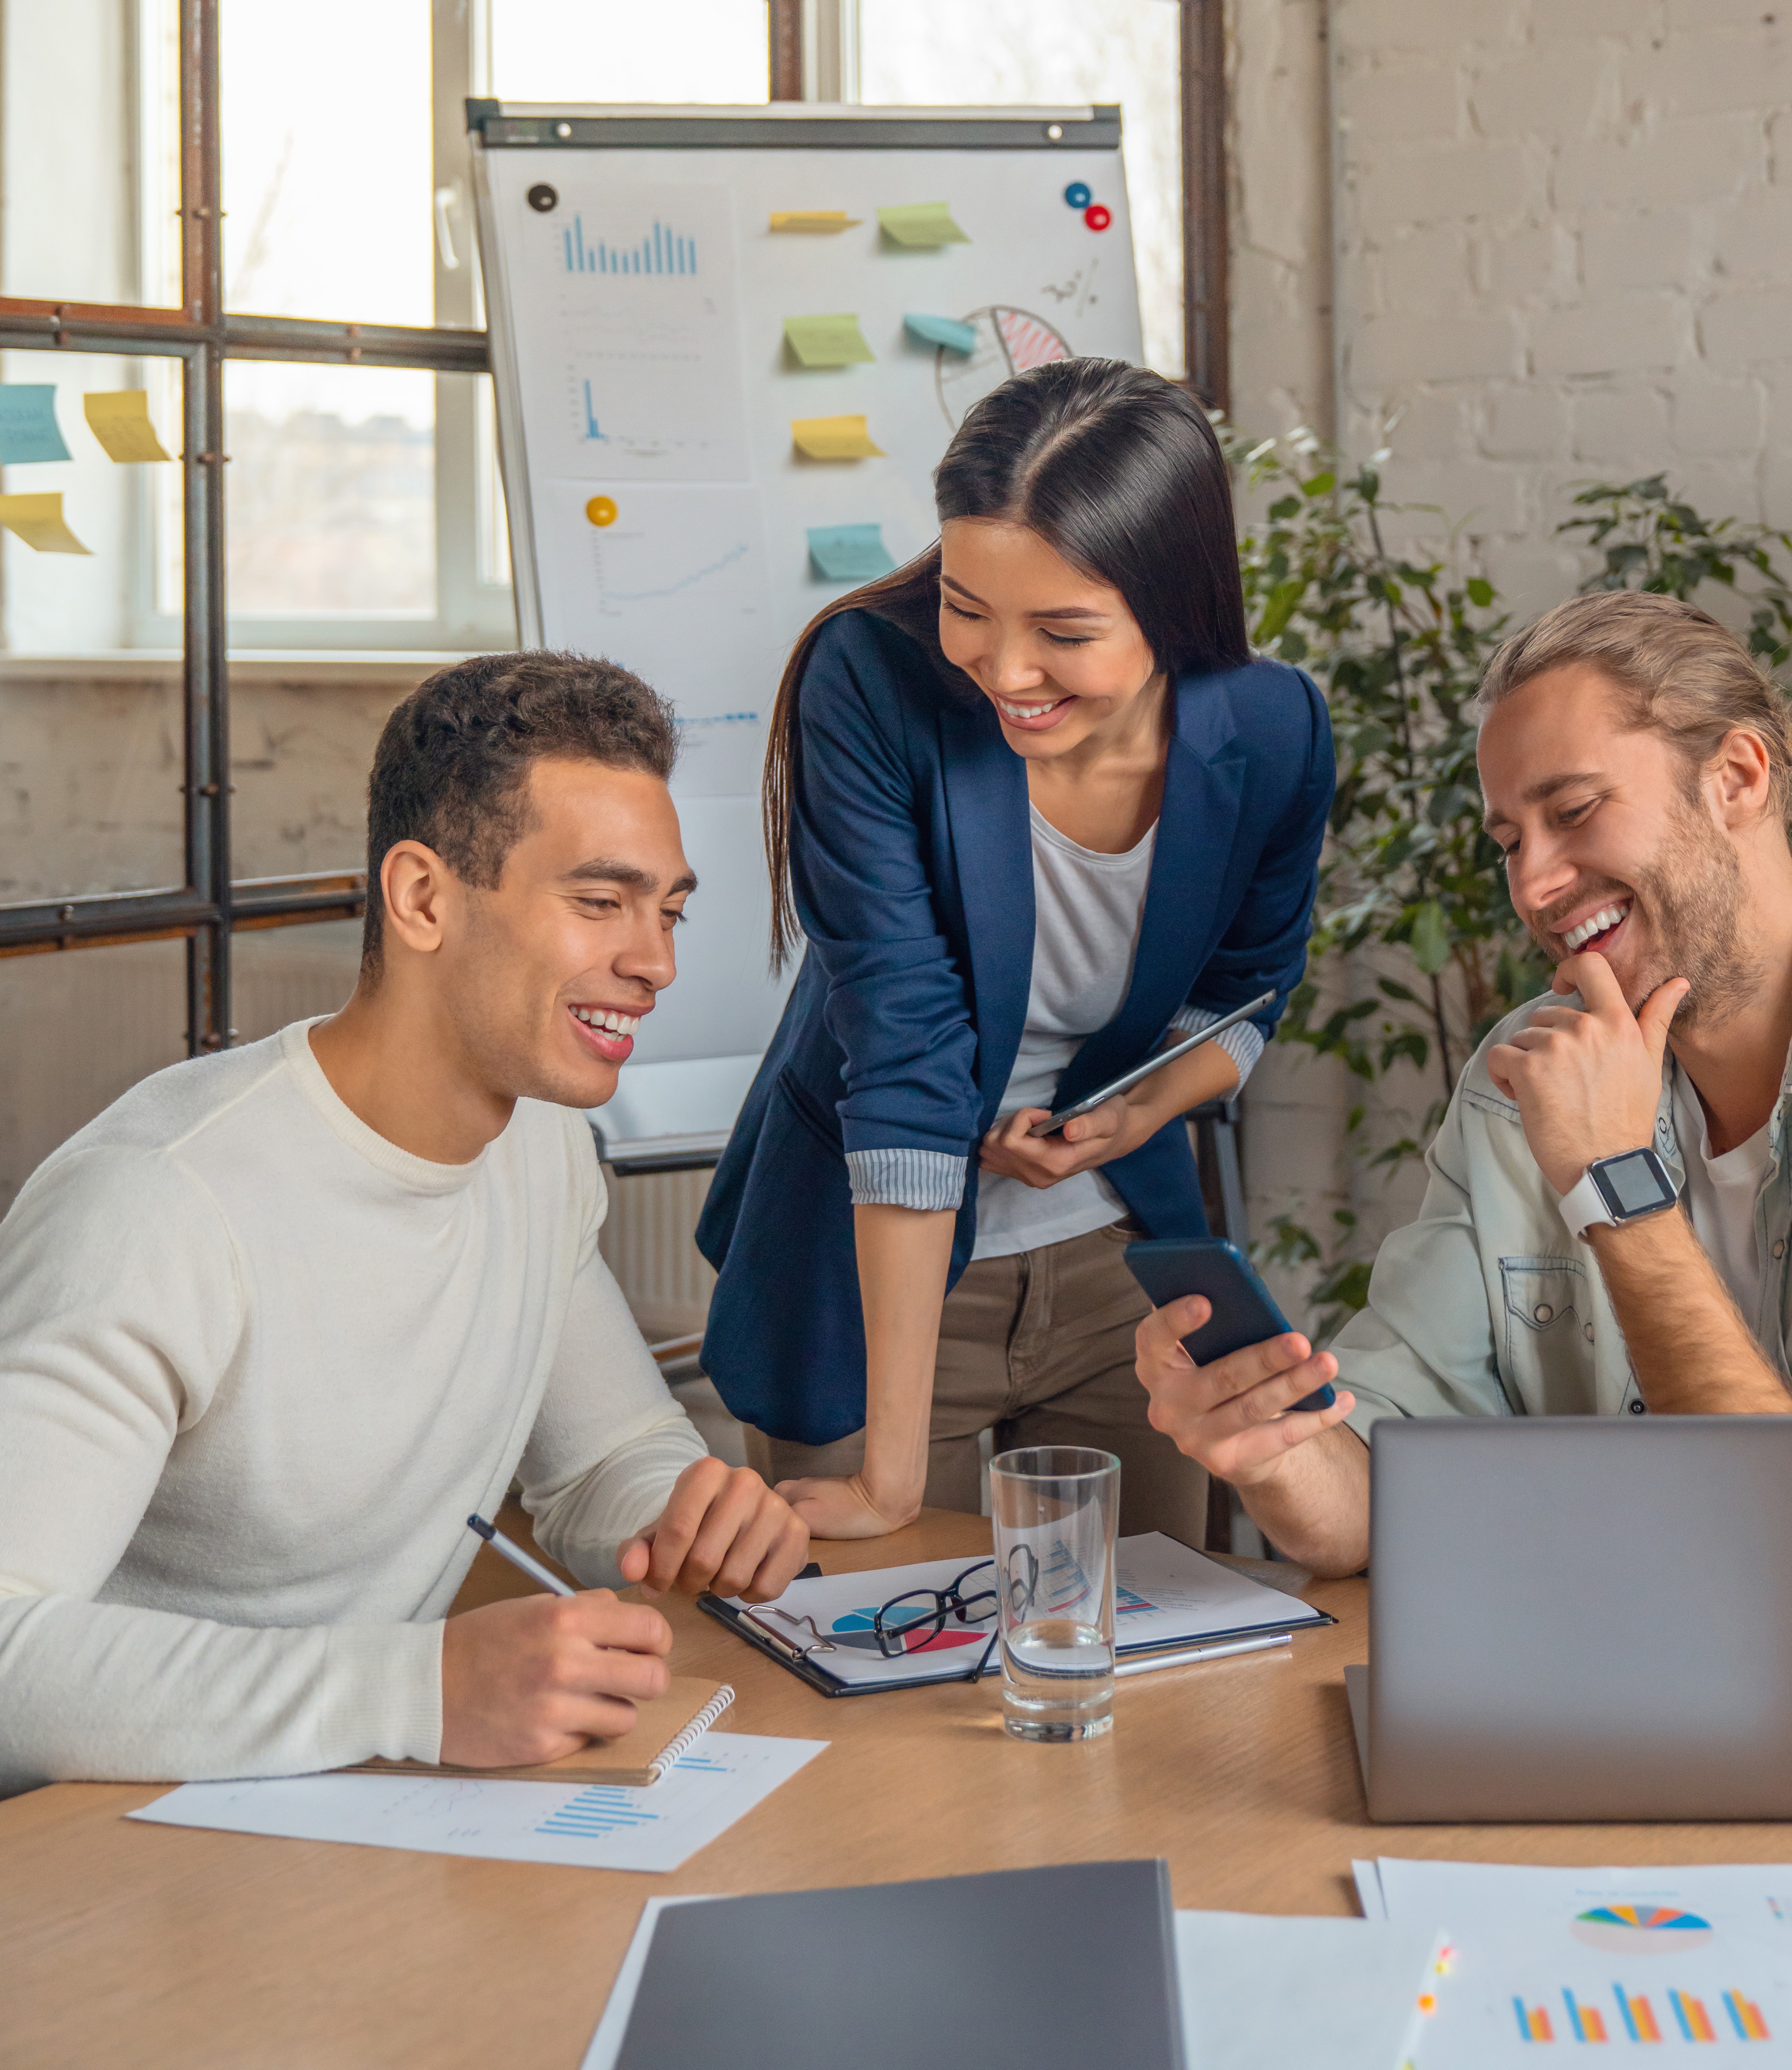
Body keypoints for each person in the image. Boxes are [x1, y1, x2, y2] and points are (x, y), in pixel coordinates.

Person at [1133, 589, 1792, 1682]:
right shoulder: (1522, 1079)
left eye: (1575, 810)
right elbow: (1366, 1505)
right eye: (1510, 838)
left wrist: (1611, 1184)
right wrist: (1264, 1440)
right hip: (1637, 1704)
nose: (1533, 884)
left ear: (1735, 777)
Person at [0, 652, 808, 1795]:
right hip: (98, 1853)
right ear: (423, 898)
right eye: (599, 902)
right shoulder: (159, 1205)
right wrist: (414, 1690)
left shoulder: (540, 1149)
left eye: (666, 910)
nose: (655, 962)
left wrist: (686, 1512)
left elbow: (603, 1462)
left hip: (340, 1817)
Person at [698, 359, 1334, 1544]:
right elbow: (904, 1050)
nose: (1001, 668)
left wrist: (1136, 1114)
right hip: (869, 1274)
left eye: (1063, 631)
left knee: (1149, 1666)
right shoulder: (873, 683)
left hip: (1119, 1272)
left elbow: (1248, 989)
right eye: (966, 605)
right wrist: (888, 1480)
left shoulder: (1274, 726)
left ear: (1176, 605)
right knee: (886, 1681)